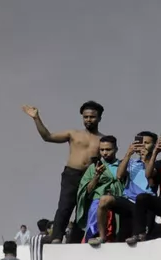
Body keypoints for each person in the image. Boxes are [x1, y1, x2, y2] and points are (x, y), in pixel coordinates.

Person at [24, 102, 106, 243]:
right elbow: (47, 137)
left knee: (85, 210)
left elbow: (108, 158)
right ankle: (56, 236)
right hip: (72, 174)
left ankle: (76, 240)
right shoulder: (73, 133)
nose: (88, 119)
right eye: (85, 117)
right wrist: (36, 118)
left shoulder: (103, 139)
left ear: (99, 118)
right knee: (65, 207)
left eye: (92, 117)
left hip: (90, 177)